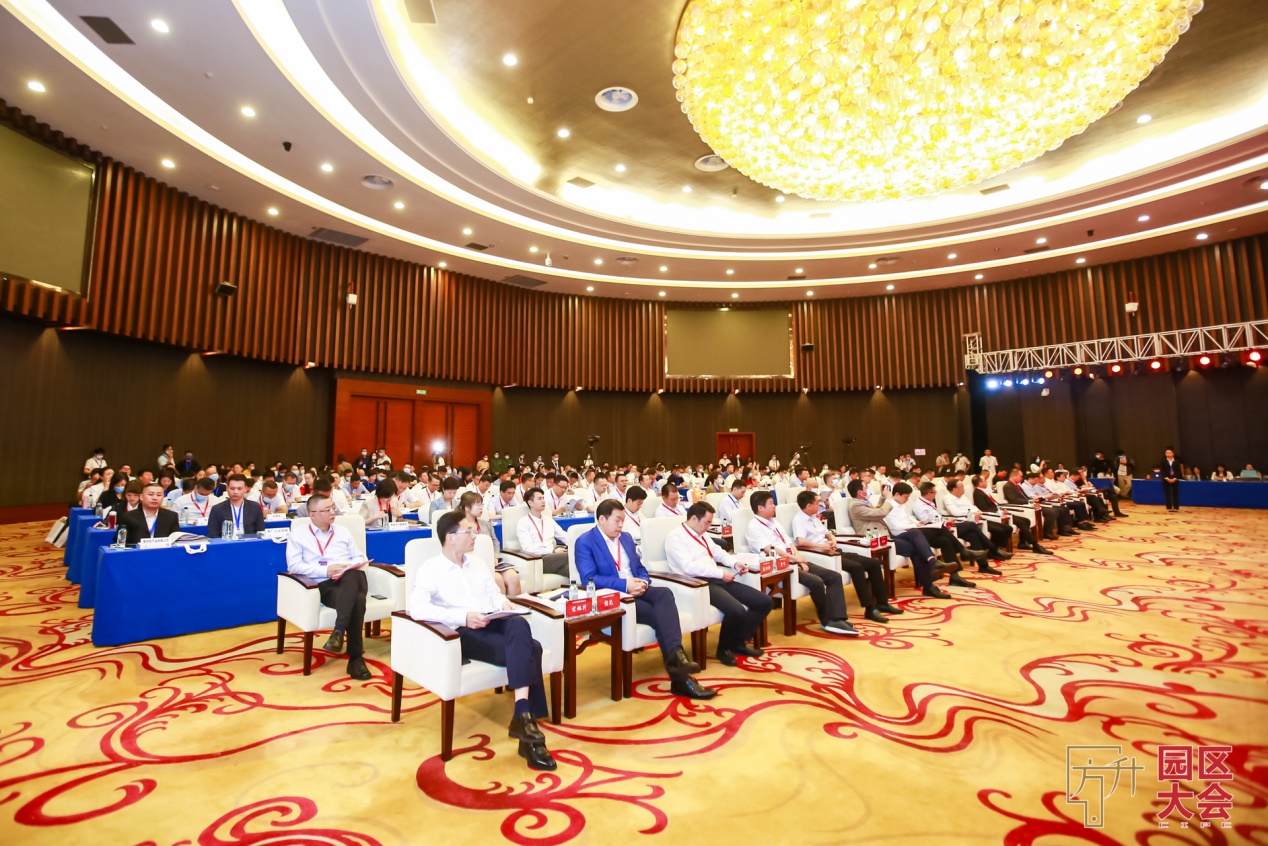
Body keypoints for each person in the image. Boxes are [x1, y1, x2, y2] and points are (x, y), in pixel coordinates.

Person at [408, 511, 557, 771]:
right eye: (468, 531)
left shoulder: (476, 564)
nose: (475, 534)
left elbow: (493, 593)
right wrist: (463, 617)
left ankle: (522, 716)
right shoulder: (431, 569)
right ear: (450, 537)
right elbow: (417, 608)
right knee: (532, 648)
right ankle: (529, 733)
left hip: (491, 619)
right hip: (462, 632)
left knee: (519, 622)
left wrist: (504, 603)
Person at [574, 500, 715, 699]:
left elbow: (639, 568)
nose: (621, 525)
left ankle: (677, 660)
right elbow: (589, 578)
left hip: (636, 588)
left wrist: (643, 582)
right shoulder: (585, 541)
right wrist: (625, 585)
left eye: (623, 520)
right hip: (614, 597)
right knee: (660, 617)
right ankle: (681, 676)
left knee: (664, 593)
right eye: (617, 520)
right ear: (602, 519)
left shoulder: (626, 538)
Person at [665, 502, 772, 666]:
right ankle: (724, 650)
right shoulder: (675, 537)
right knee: (736, 611)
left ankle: (737, 642)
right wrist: (720, 573)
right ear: (694, 518)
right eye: (707, 522)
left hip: (717, 578)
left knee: (764, 602)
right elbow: (688, 567)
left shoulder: (701, 533)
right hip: (698, 584)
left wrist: (734, 563)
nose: (709, 527)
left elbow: (718, 552)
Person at [284, 494, 372, 681]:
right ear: (312, 515)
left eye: (332, 508)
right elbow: (294, 566)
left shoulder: (343, 532)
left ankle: (339, 630)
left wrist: (346, 566)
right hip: (324, 585)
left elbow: (359, 557)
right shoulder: (298, 535)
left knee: (353, 574)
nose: (332, 512)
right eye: (326, 510)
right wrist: (326, 570)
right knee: (358, 600)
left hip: (351, 578)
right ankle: (355, 658)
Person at [745, 490, 857, 636]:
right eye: (771, 503)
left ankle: (838, 618)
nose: (774, 506)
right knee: (816, 582)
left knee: (834, 576)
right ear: (760, 507)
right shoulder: (754, 526)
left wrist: (798, 556)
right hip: (780, 566)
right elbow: (769, 549)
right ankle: (826, 621)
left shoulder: (774, 522)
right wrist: (794, 560)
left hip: (794, 561)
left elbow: (789, 542)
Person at [791, 490, 900, 624]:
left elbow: (828, 534)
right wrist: (822, 546)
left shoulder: (813, 517)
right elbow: (801, 541)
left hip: (833, 550)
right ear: (809, 506)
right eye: (817, 503)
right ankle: (869, 608)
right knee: (857, 567)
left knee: (873, 563)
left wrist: (832, 540)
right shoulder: (799, 519)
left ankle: (882, 603)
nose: (820, 505)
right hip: (823, 554)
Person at [934, 479, 1013, 573]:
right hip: (961, 523)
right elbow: (955, 512)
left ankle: (984, 566)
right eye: (961, 487)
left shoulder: (963, 497)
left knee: (973, 536)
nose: (964, 489)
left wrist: (976, 513)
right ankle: (993, 549)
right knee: (972, 526)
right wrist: (971, 514)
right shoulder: (948, 498)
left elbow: (973, 507)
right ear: (954, 489)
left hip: (973, 520)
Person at [971, 475, 1051, 555]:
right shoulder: (978, 493)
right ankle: (1035, 545)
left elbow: (995, 504)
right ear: (980, 483)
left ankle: (1022, 543)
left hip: (1001, 512)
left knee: (1026, 520)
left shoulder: (984, 491)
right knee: (1021, 523)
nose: (987, 482)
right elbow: (984, 508)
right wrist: (1000, 513)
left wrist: (1002, 510)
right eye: (985, 481)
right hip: (995, 515)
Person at [515, 488, 571, 582]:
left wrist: (577, 543)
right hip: (537, 559)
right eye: (539, 499)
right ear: (530, 503)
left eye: (543, 498)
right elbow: (528, 548)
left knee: (572, 569)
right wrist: (552, 551)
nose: (543, 501)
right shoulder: (523, 522)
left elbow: (564, 536)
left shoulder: (548, 520)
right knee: (572, 555)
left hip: (553, 558)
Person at [1007, 471, 1075, 537]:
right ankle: (1047, 533)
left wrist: (1032, 500)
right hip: (1028, 506)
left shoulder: (1018, 486)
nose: (1021, 478)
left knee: (1063, 509)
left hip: (1035, 503)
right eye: (1020, 476)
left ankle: (1065, 529)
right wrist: (1031, 500)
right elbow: (1015, 500)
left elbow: (1027, 497)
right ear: (1014, 476)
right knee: (1052, 511)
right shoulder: (1010, 486)